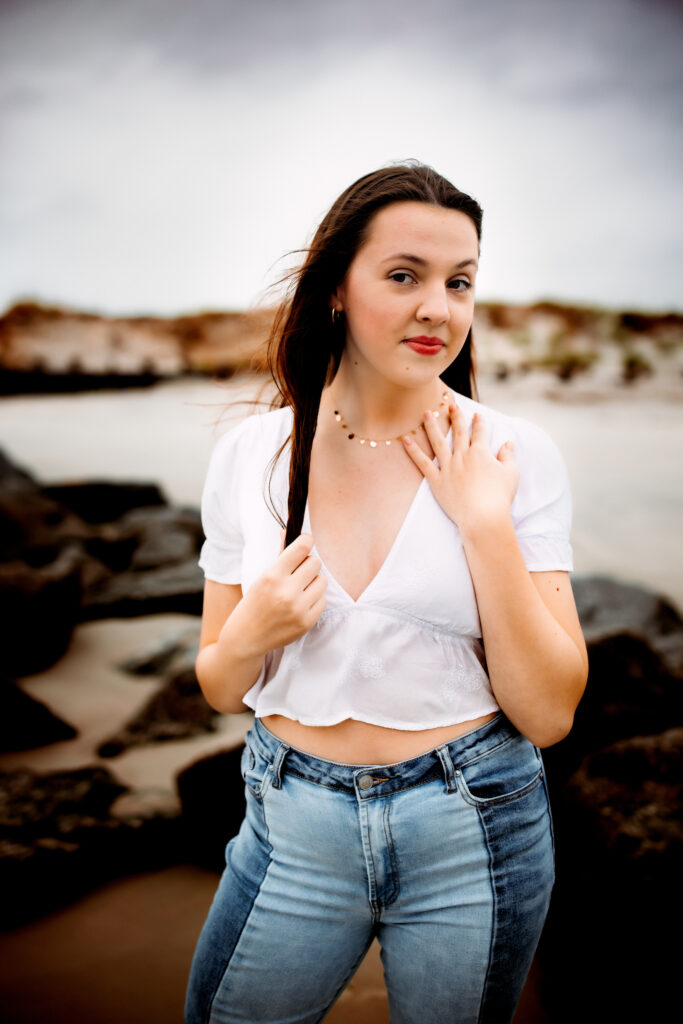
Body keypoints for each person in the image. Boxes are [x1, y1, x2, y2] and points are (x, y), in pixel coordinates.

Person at [184, 161, 588, 1024]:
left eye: (460, 281)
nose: (437, 308)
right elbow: (220, 686)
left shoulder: (513, 456)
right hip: (290, 825)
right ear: (336, 288)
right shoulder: (249, 457)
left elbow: (550, 713)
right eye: (403, 276)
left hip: (473, 825)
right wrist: (253, 629)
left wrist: (483, 527)